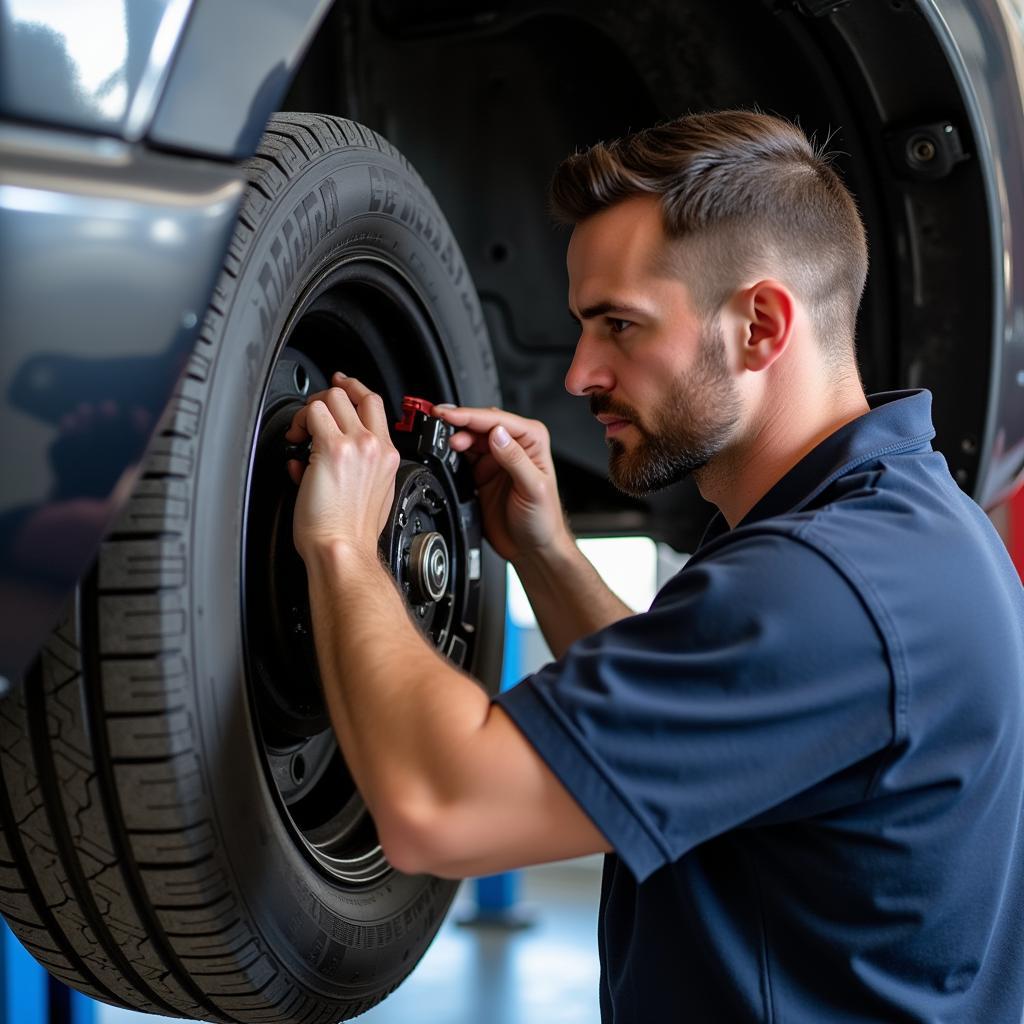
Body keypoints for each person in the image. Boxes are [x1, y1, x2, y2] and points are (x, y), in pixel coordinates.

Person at [284, 110, 1024, 1022]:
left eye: (620, 326)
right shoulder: (899, 529)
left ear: (760, 324)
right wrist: (547, 554)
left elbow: (439, 808)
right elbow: (705, 727)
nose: (578, 375)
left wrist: (342, 547)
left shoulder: (825, 587)